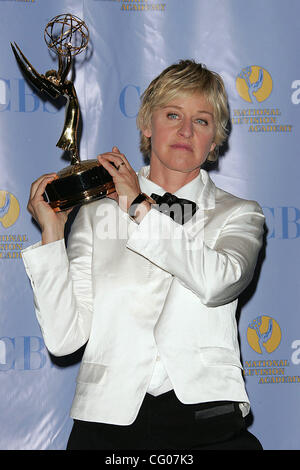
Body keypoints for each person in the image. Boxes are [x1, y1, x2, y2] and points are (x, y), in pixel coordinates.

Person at [22, 59, 265, 450]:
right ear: (147, 125)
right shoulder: (96, 213)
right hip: (106, 425)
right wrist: (52, 235)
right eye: (173, 114)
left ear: (215, 140)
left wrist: (138, 206)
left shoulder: (239, 214)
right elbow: (65, 339)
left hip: (206, 421)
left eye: (202, 121)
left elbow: (217, 282)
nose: (186, 130)